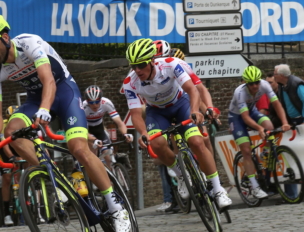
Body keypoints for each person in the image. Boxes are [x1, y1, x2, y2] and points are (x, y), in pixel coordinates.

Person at [0, 14, 131, 232]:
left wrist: (45, 110)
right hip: (35, 100)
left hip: (63, 92)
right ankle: (57, 179)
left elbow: (48, 80)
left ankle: (116, 208)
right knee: (12, 131)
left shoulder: (28, 43)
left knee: (79, 149)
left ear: (5, 37)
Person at [124, 38, 231, 209]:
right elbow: (136, 114)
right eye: (133, 66)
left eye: (141, 65)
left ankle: (218, 189)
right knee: (157, 143)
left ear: (152, 60)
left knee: (197, 141)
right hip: (157, 111)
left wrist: (196, 110)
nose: (137, 70)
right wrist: (143, 132)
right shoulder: (130, 82)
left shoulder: (171, 64)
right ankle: (181, 175)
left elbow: (193, 90)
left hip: (181, 103)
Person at [228, 66, 291, 199]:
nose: (255, 86)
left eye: (257, 82)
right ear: (246, 83)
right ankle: (255, 187)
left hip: (252, 111)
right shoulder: (240, 92)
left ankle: (265, 154)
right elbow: (244, 117)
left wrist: (285, 122)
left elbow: (277, 104)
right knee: (246, 150)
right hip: (237, 117)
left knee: (269, 125)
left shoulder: (264, 85)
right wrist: (259, 129)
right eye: (251, 83)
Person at [83, 85, 133, 169]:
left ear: (101, 99)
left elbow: (119, 122)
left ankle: (113, 178)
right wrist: (93, 140)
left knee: (109, 156)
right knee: (92, 157)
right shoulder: (82, 107)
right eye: (91, 102)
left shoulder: (106, 103)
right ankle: (93, 179)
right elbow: (83, 130)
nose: (94, 105)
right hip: (88, 131)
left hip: (99, 129)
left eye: (97, 101)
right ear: (87, 102)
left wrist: (125, 134)